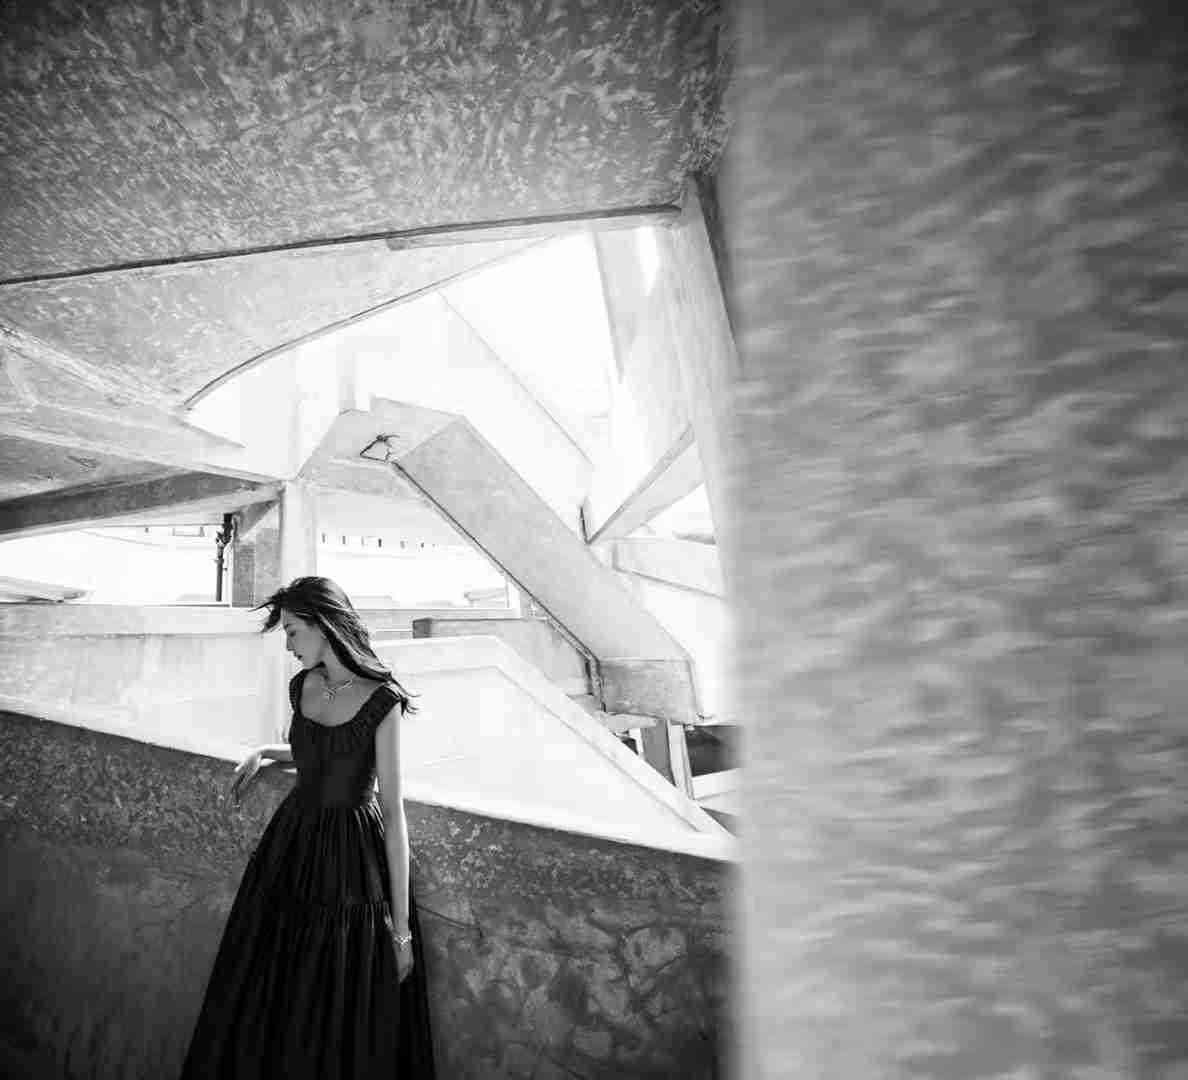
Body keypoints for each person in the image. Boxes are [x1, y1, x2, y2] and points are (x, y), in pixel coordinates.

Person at [181, 576, 435, 1079]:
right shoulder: (303, 687)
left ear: (324, 626)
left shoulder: (381, 699)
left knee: (335, 992)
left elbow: (394, 813)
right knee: (271, 984)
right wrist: (265, 752)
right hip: (292, 845)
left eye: (293, 632)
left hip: (351, 860)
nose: (289, 645)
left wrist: (402, 932)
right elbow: (316, 753)